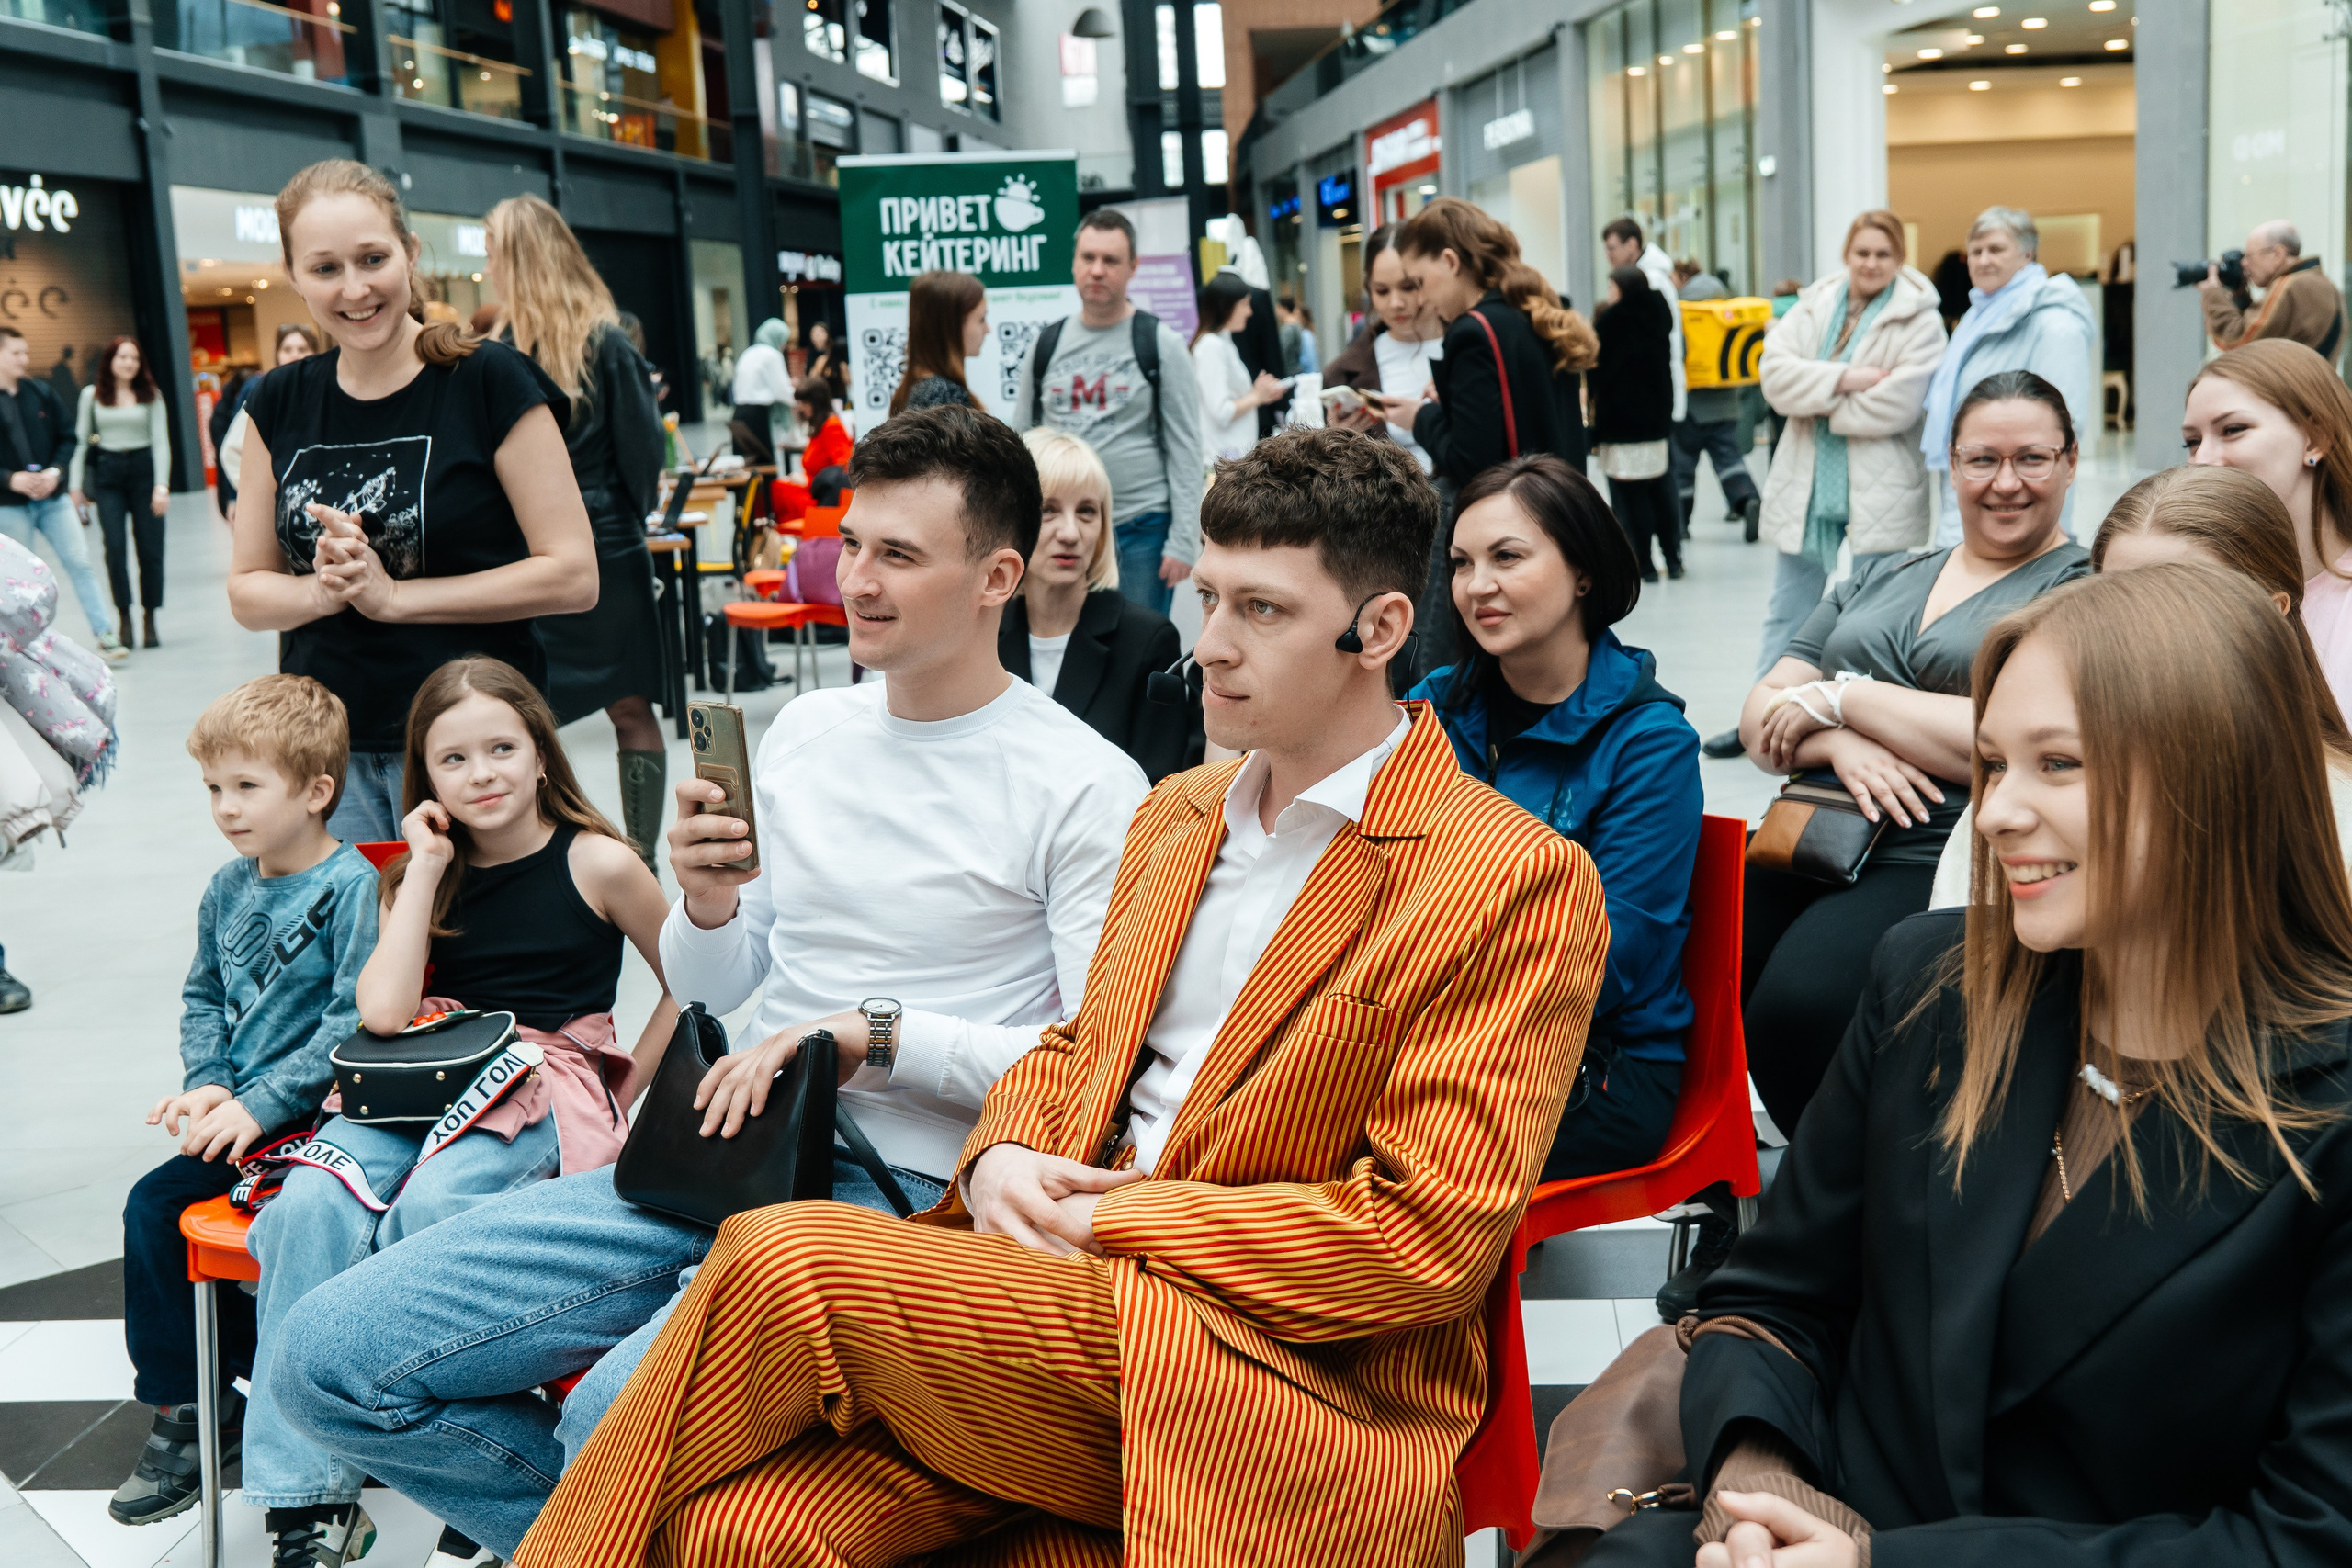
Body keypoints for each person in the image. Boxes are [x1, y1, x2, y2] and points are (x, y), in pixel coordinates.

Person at [496, 423, 1609, 1568]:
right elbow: (1079, 1049)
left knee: (793, 1260)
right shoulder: (1179, 814)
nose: (1210, 646)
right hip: (1059, 1318)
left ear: (1376, 630)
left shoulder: (1505, 876)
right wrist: (1002, 1157)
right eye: (1209, 597)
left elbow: (1417, 1241)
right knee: (745, 1531)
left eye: (1261, 612)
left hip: (1273, 1380)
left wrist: (1100, 1217)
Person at [266, 407, 1150, 1560]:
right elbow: (714, 979)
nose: (856, 579)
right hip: (714, 1146)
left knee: (608, 1418)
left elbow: (1097, 1060)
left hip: (900, 1191)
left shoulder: (1085, 784)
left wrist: (871, 1035)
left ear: (997, 574)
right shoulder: (804, 734)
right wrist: (708, 900)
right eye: (853, 540)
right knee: (324, 1361)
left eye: (899, 555)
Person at [1585, 563, 2352, 1568]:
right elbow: (1775, 1300)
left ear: (2219, 775)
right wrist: (1757, 1477)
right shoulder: (1934, 983)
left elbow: (2308, 1535)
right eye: (1992, 764)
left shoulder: (2324, 1095)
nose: (1992, 815)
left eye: (2059, 764)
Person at [240, 655, 675, 1568]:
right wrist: (427, 867)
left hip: (532, 1077)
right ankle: (305, 1502)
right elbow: (385, 1015)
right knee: (305, 1210)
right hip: (413, 1071)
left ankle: (459, 1460)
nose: (481, 774)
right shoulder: (417, 872)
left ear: (542, 751)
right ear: (422, 779)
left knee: (436, 1211)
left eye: (501, 748)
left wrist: (620, 1084)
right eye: (453, 760)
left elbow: (694, 986)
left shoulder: (597, 859)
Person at [1736, 369, 2090, 1146]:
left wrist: (1846, 697)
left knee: (1800, 1004)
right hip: (1811, 828)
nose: (2006, 483)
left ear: (2071, 461)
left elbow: (2009, 739)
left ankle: (1835, 1199)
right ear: (1950, 464)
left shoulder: (2080, 590)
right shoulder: (1882, 570)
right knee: (1695, 970)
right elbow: (1761, 713)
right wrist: (1837, 739)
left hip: (1933, 848)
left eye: (2032, 458)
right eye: (1981, 460)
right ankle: (1752, 1185)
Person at [228, 160, 598, 845]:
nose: (356, 288)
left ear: (410, 252)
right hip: (325, 755)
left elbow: (573, 574)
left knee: (480, 948)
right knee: (369, 951)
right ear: (293, 276)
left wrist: (395, 597)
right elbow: (249, 592)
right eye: (326, 268)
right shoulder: (277, 402)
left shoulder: (488, 381)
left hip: (473, 749)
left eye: (373, 259)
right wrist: (327, 589)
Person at [109, 676, 379, 1557]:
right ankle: (192, 1403)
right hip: (242, 1114)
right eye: (214, 789)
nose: (225, 808)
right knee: (154, 1207)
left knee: (296, 1242)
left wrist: (258, 1102)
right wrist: (210, 1083)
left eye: (246, 787)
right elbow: (202, 997)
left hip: (319, 1122)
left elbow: (351, 1025)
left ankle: (294, 1393)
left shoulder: (351, 890)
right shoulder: (227, 888)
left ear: (315, 789)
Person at [1407, 454, 1700, 1181]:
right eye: (1462, 562)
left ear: (1583, 572)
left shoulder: (1649, 742)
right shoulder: (1434, 706)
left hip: (1597, 1064)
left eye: (1508, 557)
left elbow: (1611, 959)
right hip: (1429, 1037)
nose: (1478, 587)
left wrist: (1419, 980)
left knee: (1336, 1142)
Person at [1928, 462, 2352, 908]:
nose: (2136, 632)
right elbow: (1965, 941)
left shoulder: (2333, 805)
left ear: (2269, 613)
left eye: (2176, 602)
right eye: (2113, 600)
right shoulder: (2026, 781)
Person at [1702, 213, 1949, 759]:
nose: (1870, 263)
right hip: (1809, 480)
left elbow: (1899, 405)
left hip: (1881, 483)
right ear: (1847, 252)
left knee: (1873, 615)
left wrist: (1816, 393)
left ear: (1899, 257)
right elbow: (1776, 379)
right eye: (1861, 252)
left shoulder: (1920, 319)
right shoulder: (1817, 301)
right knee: (1788, 605)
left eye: (1883, 254)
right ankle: (1763, 719)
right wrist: (1848, 379)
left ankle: (1862, 723)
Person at [481, 195, 670, 866]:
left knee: (532, 715)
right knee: (625, 707)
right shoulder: (599, 340)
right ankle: (635, 856)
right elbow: (644, 455)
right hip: (603, 549)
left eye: (494, 252)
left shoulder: (507, 351)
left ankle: (605, 854)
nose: (487, 266)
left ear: (519, 258)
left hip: (545, 557)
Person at [1391, 197, 1598, 676]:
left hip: (1504, 519)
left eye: (1420, 282)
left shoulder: (1473, 330)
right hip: (1560, 515)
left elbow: (1472, 458)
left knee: (1442, 665)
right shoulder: (1537, 311)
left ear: (1450, 260)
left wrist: (1420, 417)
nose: (1421, 298)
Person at [1012, 207, 1206, 617]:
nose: (1097, 270)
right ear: (1074, 263)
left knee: (1134, 655)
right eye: (1088, 258)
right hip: (1059, 531)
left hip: (1140, 529)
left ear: (1133, 267)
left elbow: (1186, 447)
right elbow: (1021, 440)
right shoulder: (1046, 343)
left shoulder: (1160, 343)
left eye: (1110, 260)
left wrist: (1182, 539)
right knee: (1063, 644)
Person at [1002, 427, 1193, 781]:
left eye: (1087, 511)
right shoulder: (982, 634)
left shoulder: (1147, 642)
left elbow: (1159, 786)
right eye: (1048, 510)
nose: (1071, 533)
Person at [2180, 338, 2352, 721]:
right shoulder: (2194, 584)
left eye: (2232, 430)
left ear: (2316, 437)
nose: (2202, 460)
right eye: (2192, 442)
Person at [1920, 206, 2097, 544]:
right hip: (1974, 480)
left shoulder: (2055, 324)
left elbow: (2063, 424)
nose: (1984, 260)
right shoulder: (1978, 316)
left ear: (2027, 255)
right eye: (1976, 251)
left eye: (1996, 249)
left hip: (2017, 499)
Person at [0, 325, 123, 660]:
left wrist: (56, 472)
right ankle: (24, 647)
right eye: (16, 353)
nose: (25, 359)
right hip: (10, 505)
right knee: (17, 580)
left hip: (53, 501)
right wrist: (10, 480)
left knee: (80, 563)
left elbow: (69, 437)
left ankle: (105, 633)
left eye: (26, 352)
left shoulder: (40, 392)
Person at [68, 336, 172, 650]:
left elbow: (161, 442)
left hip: (143, 473)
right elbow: (81, 442)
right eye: (123, 357)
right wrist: (74, 486)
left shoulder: (151, 395)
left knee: (150, 550)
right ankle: (124, 616)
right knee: (114, 549)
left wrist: (161, 486)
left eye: (135, 359)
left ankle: (150, 617)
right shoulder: (92, 395)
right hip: (109, 475)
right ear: (110, 361)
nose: (129, 363)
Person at [1322, 221, 1446, 474]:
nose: (1396, 303)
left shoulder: (1473, 346)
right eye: (1382, 291)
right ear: (1369, 289)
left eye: (1408, 287)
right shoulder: (1343, 372)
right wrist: (1337, 444)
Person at [1592, 265, 1682, 581]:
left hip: (1622, 424)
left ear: (1623, 289)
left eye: (1611, 288)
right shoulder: (1659, 316)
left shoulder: (1611, 323)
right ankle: (1674, 558)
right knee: (1660, 489)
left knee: (1630, 497)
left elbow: (1599, 376)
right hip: (1656, 421)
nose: (1609, 295)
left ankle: (1642, 563)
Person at [1669, 265, 1764, 540]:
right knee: (1729, 460)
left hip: (1690, 407)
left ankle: (1681, 523)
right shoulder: (1728, 310)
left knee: (1683, 468)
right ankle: (1747, 500)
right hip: (1726, 405)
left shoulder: (1686, 313)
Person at [2201, 219, 2346, 364]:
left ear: (2278, 254)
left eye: (2249, 256)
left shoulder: (2290, 285)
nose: (2244, 264)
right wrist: (2241, 296)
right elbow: (2270, 335)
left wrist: (2213, 292)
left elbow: (2238, 341)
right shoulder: (2319, 282)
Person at [216, 325, 321, 527]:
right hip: (274, 500)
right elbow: (234, 447)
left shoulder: (324, 390)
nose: (294, 355)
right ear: (278, 354)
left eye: (302, 349)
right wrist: (236, 497)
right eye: (288, 349)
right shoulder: (260, 389)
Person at [1190, 271, 1287, 463]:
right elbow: (1221, 411)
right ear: (1226, 306)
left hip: (1231, 457)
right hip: (1223, 459)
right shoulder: (1212, 346)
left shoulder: (1223, 342)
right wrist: (1256, 396)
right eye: (1244, 304)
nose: (1249, 312)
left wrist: (1259, 393)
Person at [1603, 216, 1685, 421]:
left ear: (1632, 244)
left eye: (1612, 248)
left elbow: (1658, 335)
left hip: (1654, 389)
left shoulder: (1652, 279)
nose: (1608, 256)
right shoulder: (1644, 276)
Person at [888, 268, 987, 415]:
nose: (987, 329)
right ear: (953, 326)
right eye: (981, 319)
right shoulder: (945, 395)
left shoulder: (920, 388)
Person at [729, 317, 793, 465]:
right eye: (784, 340)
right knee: (763, 465)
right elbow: (782, 390)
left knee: (745, 465)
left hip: (738, 414)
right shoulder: (772, 355)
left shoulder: (749, 352)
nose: (784, 345)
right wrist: (802, 397)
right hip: (757, 417)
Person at [794, 374, 854, 499]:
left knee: (780, 491)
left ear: (816, 402)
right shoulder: (820, 428)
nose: (801, 407)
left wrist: (808, 482)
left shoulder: (831, 426)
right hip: (815, 488)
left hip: (823, 492)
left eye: (805, 402)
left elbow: (843, 467)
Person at [1279, 293, 1319, 374]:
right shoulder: (1306, 333)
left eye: (1296, 315)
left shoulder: (1306, 335)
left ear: (1303, 318)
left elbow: (1308, 361)